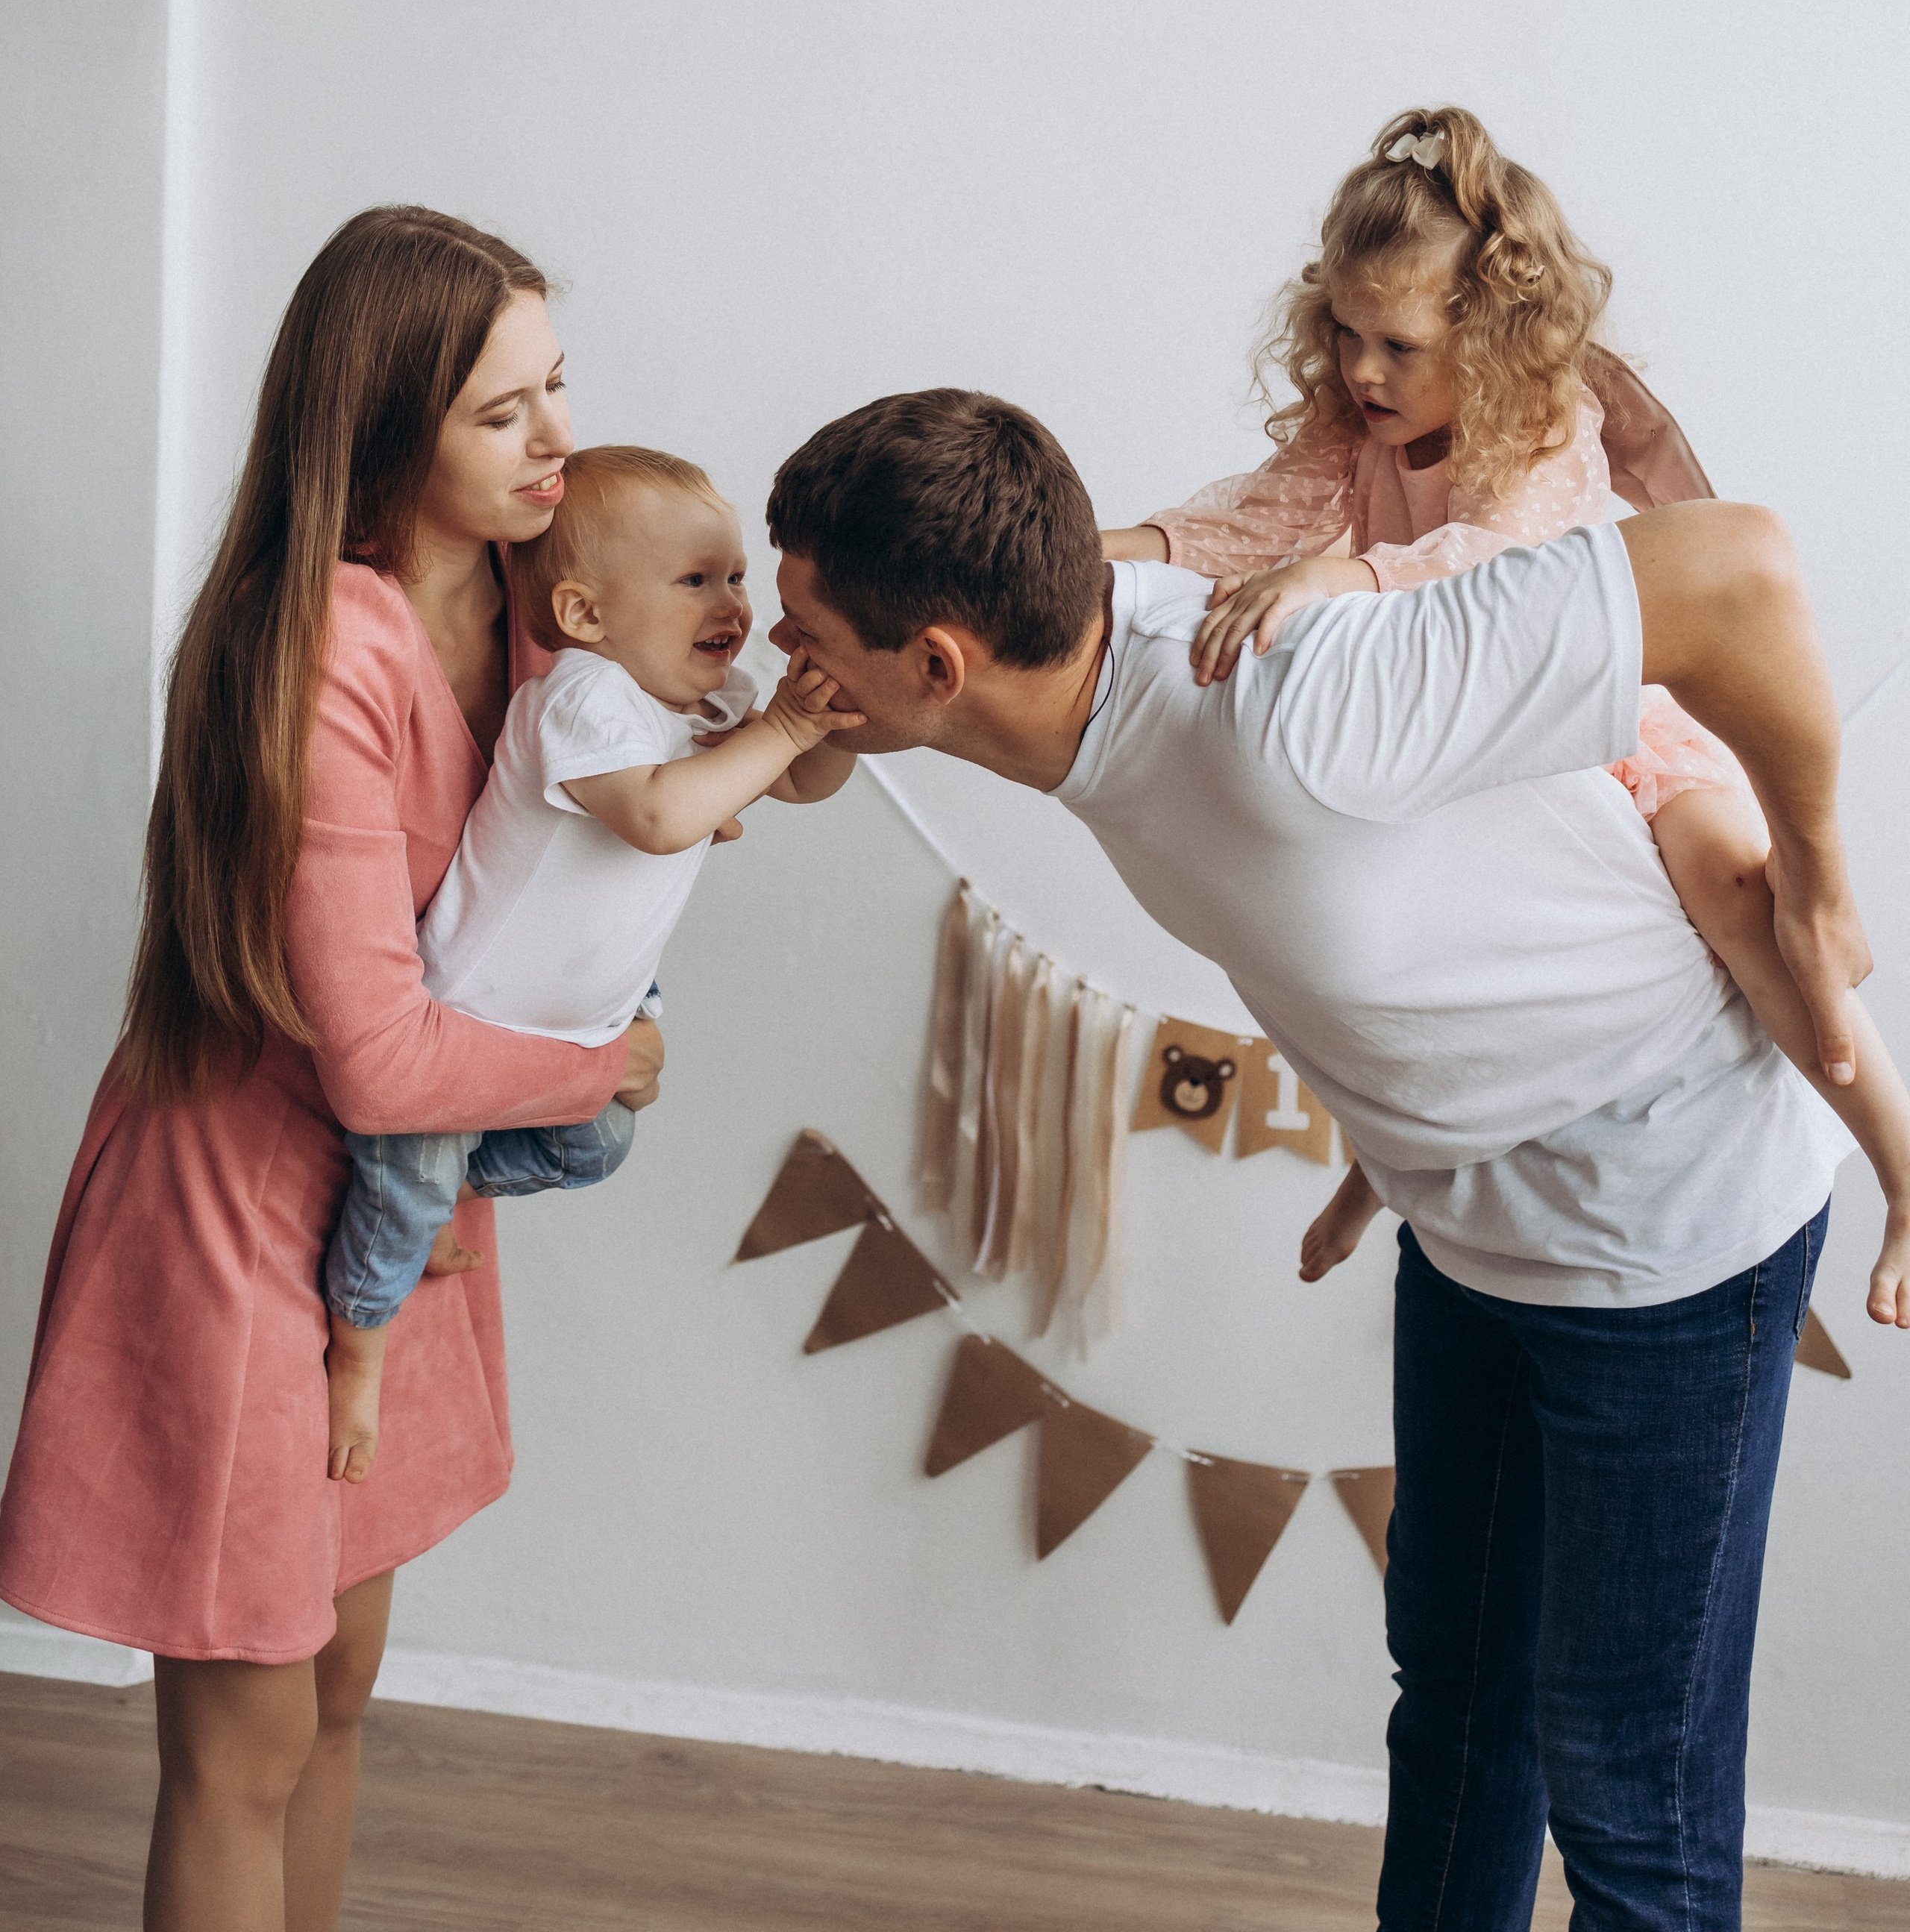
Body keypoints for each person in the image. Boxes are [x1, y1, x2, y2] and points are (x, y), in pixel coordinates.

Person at [763, 386, 1882, 1932]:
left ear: (937, 666)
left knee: (1627, 1785)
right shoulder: (1100, 699)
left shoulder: (1289, 693)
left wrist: (1815, 885)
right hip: (1469, 1216)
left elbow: (1739, 570)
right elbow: (1364, 909)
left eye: (802, 631)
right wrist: (1388, 1119)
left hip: (1662, 1219)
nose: (783, 660)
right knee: (1456, 1701)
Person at [0, 208, 662, 1932]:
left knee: (344, 1683)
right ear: (383, 435)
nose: (555, 440)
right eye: (503, 413)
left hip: (396, 1214)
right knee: (246, 1733)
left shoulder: (537, 608)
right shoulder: (314, 655)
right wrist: (606, 1066)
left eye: (557, 389)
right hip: (243, 1220)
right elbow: (374, 1059)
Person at [1103, 106, 1910, 1306]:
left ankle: (1901, 1173)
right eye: (1343, 330)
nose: (1364, 369)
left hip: (1616, 718)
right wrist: (1084, 562)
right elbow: (1246, 524)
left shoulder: (1538, 424)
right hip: (1474, 737)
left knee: (1739, 891)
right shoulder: (1352, 425)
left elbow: (1498, 561)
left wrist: (1347, 574)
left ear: (1483, 339)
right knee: (1385, 945)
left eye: (1400, 344)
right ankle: (1390, 1166)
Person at [323, 443, 862, 1484]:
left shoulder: (705, 703)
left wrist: (832, 720)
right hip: (469, 1017)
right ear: (583, 616)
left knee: (600, 1144)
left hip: (576, 1029)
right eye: (695, 580)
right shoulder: (584, 698)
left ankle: (407, 1194)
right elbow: (659, 817)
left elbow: (798, 787)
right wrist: (783, 729)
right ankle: (358, 1340)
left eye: (737, 577)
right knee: (410, 1186)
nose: (733, 603)